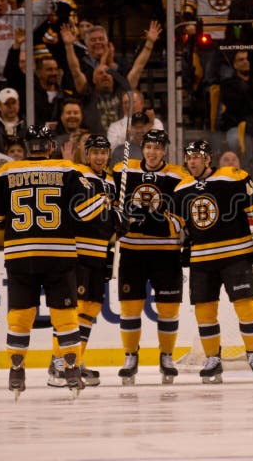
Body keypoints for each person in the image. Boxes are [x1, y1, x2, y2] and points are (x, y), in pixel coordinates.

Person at [0, 125, 112, 398]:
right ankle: (71, 366)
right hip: (58, 254)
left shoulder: (7, 172)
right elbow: (87, 211)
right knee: (65, 314)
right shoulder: (67, 169)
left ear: (25, 147)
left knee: (20, 315)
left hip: (20, 255)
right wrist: (106, 201)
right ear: (50, 146)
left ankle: (16, 368)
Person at [163, 139, 253, 383]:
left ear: (208, 159)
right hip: (202, 259)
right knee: (204, 311)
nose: (192, 161)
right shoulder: (181, 189)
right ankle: (212, 359)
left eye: (197, 157)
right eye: (189, 157)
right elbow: (175, 226)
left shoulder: (233, 177)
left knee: (246, 305)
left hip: (235, 255)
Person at [112, 129, 190, 385]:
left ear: (164, 150)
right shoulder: (123, 170)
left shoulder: (178, 175)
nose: (152, 152)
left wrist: (144, 222)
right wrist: (117, 217)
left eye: (157, 148)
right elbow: (113, 203)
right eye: (148, 147)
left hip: (166, 254)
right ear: (142, 148)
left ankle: (166, 356)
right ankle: (130, 356)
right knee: (130, 308)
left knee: (168, 309)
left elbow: (179, 218)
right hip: (132, 253)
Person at [47, 134, 115, 388]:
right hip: (77, 251)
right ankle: (58, 362)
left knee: (90, 309)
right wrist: (67, 165)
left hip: (100, 252)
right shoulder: (78, 174)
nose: (99, 157)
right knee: (72, 310)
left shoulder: (111, 181)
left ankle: (75, 359)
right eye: (95, 152)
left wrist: (119, 220)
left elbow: (108, 215)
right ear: (87, 154)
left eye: (103, 152)